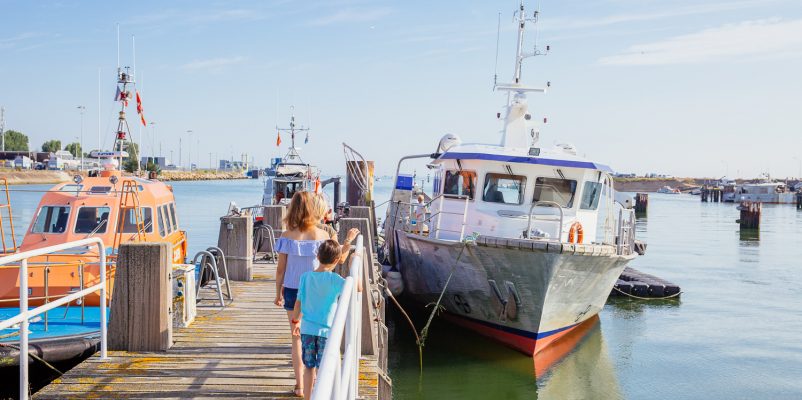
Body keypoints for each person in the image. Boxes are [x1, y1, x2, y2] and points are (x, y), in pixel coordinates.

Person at [274, 192, 358, 397]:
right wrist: (348, 244)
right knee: (317, 334)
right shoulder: (323, 236)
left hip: (294, 289)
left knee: (296, 338)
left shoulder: (286, 235)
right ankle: (320, 385)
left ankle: (300, 386)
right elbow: (338, 259)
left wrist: (278, 293)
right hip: (315, 288)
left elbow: (280, 269)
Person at [290, 240, 362, 400]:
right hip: (326, 332)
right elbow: (358, 288)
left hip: (307, 330)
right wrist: (352, 266)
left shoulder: (305, 277)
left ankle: (308, 397)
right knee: (325, 368)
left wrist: (296, 322)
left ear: (317, 255)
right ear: (336, 260)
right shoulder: (335, 280)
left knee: (309, 368)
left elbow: (298, 302)